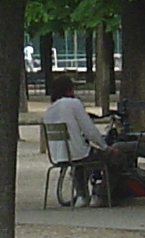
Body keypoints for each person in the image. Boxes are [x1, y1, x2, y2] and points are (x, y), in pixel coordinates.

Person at [44, 72, 132, 204]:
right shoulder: (73, 103)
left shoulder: (49, 110)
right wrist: (105, 147)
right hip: (78, 153)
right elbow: (90, 131)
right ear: (70, 89)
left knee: (79, 160)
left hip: (58, 155)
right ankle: (100, 194)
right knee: (116, 158)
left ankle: (81, 196)